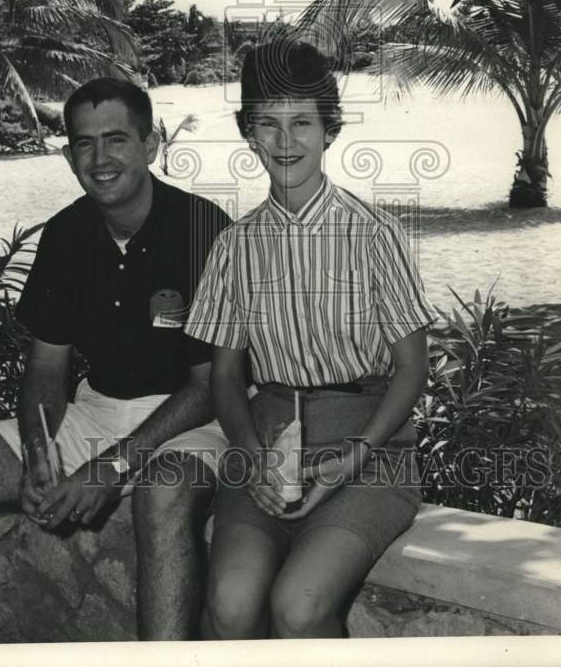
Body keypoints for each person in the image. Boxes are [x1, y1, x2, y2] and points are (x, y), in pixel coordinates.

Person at [0, 78, 231, 643]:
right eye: (84, 144)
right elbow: (46, 369)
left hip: (197, 421)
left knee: (163, 494)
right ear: (68, 155)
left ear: (152, 144)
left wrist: (111, 466)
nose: (101, 159)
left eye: (116, 140)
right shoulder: (64, 234)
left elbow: (208, 387)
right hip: (98, 411)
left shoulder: (206, 231)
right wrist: (39, 452)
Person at [185, 39, 436, 639]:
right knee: (230, 603)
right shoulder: (233, 247)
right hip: (265, 441)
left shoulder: (377, 235)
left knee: (299, 606)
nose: (285, 141)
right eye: (267, 125)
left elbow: (411, 370)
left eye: (302, 123)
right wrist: (251, 457)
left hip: (369, 447)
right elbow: (224, 377)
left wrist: (353, 455)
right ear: (248, 134)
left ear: (330, 130)